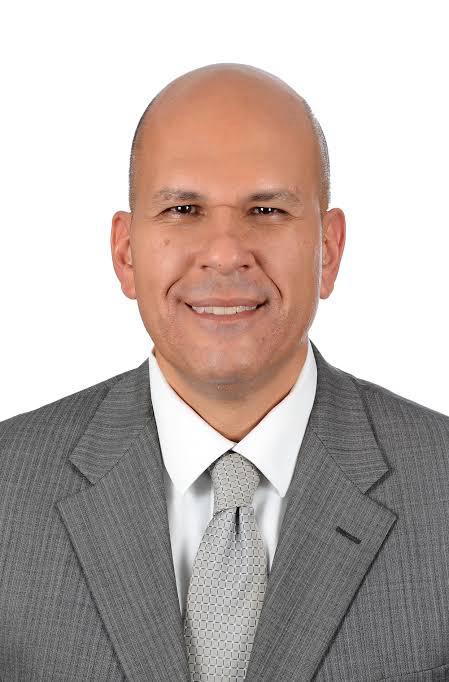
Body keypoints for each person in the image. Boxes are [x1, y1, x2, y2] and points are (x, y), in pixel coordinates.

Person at [0, 62, 448, 682]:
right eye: (183, 208)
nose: (225, 252)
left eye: (266, 209)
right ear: (125, 253)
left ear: (329, 249)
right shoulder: (9, 487)